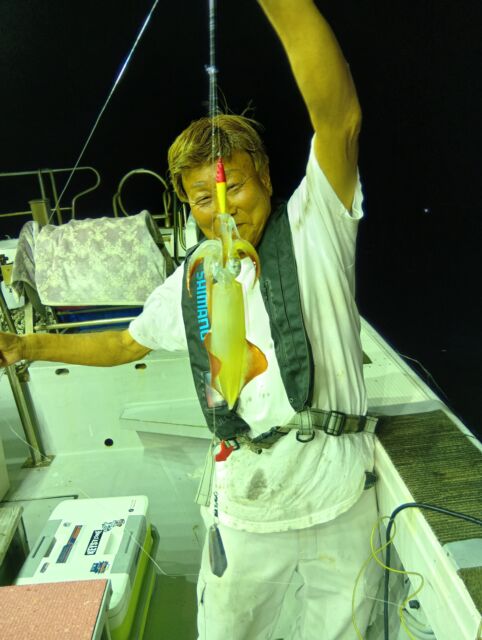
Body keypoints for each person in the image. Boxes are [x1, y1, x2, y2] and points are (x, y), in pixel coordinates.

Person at [0, 1, 382, 638]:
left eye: (235, 187)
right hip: (248, 507)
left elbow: (339, 117)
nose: (221, 208)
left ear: (266, 178)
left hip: (338, 497)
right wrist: (28, 345)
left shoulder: (315, 229)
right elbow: (126, 343)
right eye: (203, 197)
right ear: (187, 204)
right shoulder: (192, 280)